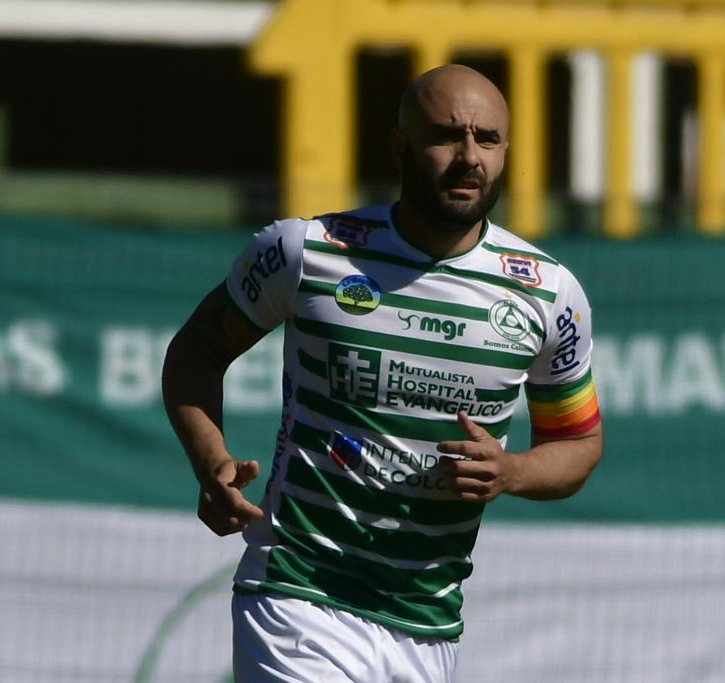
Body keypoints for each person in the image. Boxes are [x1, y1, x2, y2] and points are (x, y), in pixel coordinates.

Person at [162, 64, 603, 683]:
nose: (469, 157)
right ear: (400, 148)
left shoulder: (548, 294)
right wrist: (211, 462)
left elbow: (578, 444)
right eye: (448, 135)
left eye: (488, 139)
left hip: (425, 621)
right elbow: (195, 353)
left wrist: (513, 471)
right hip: (298, 593)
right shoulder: (308, 251)